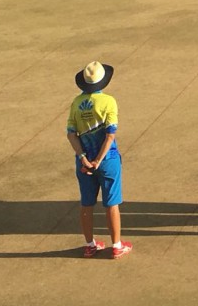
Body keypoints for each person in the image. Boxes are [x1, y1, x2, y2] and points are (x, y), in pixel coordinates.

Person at [66, 60, 132, 259]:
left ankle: (89, 245)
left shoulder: (76, 103)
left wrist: (84, 158)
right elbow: (110, 134)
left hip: (83, 162)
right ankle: (117, 246)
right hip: (108, 159)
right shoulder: (108, 102)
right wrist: (98, 160)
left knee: (86, 204)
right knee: (112, 203)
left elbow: (71, 134)